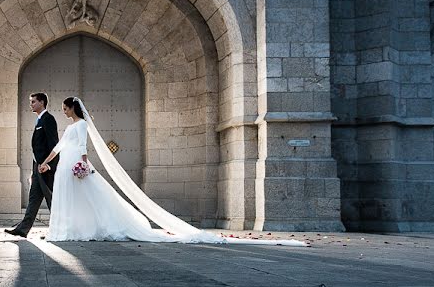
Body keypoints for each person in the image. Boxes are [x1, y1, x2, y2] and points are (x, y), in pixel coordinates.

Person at [35, 97, 304, 246]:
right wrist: (47, 161)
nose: (63, 111)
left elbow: (83, 147)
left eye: (65, 108)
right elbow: (59, 146)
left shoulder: (80, 126)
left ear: (73, 108)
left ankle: (86, 228)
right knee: (71, 198)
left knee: (89, 198)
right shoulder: (68, 127)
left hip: (77, 165)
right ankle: (69, 228)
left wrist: (84, 164)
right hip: (64, 166)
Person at [4, 92, 59, 238]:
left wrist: (49, 165)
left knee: (51, 200)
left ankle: (58, 230)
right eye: (31, 102)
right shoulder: (39, 120)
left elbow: (54, 145)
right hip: (37, 168)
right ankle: (23, 229)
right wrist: (33, 170)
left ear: (42, 102)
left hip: (45, 168)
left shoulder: (49, 119)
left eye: (33, 102)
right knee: (34, 199)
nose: (31, 104)